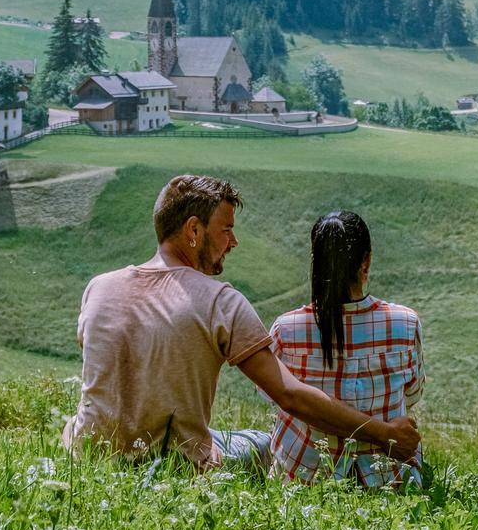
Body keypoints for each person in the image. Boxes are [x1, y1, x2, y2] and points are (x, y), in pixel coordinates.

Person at [63, 174, 420, 472]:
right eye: (226, 230)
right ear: (193, 231)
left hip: (88, 457)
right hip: (175, 464)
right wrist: (384, 434)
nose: (233, 242)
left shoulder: (99, 288)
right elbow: (291, 396)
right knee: (261, 443)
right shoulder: (220, 301)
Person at [269, 210, 424, 487]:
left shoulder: (286, 329)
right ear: (365, 263)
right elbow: (411, 394)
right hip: (388, 479)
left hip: (304, 479)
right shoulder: (405, 323)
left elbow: (274, 396)